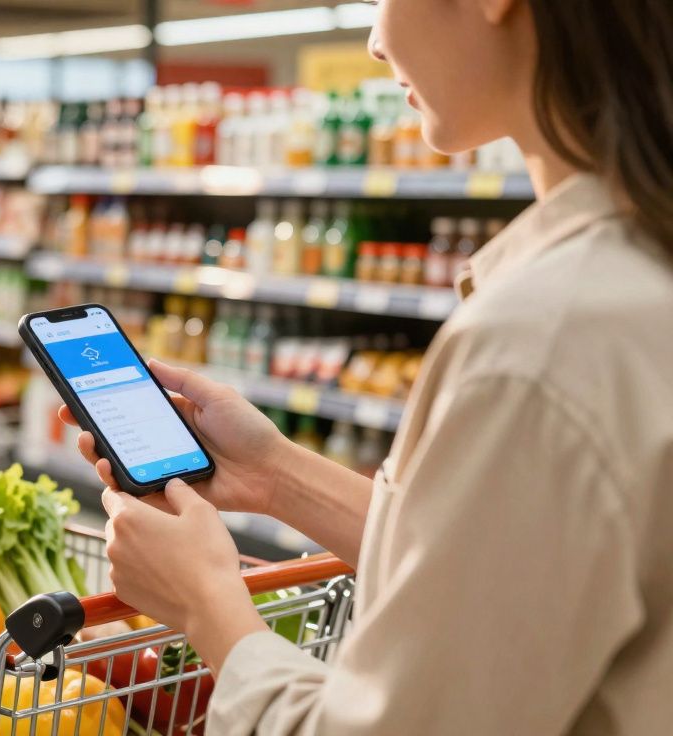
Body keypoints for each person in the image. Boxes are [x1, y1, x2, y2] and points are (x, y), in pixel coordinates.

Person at [62, 1, 673, 733]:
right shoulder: (625, 276)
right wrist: (275, 475)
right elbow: (507, 575)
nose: (377, 44)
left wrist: (208, 603)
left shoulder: (541, 343)